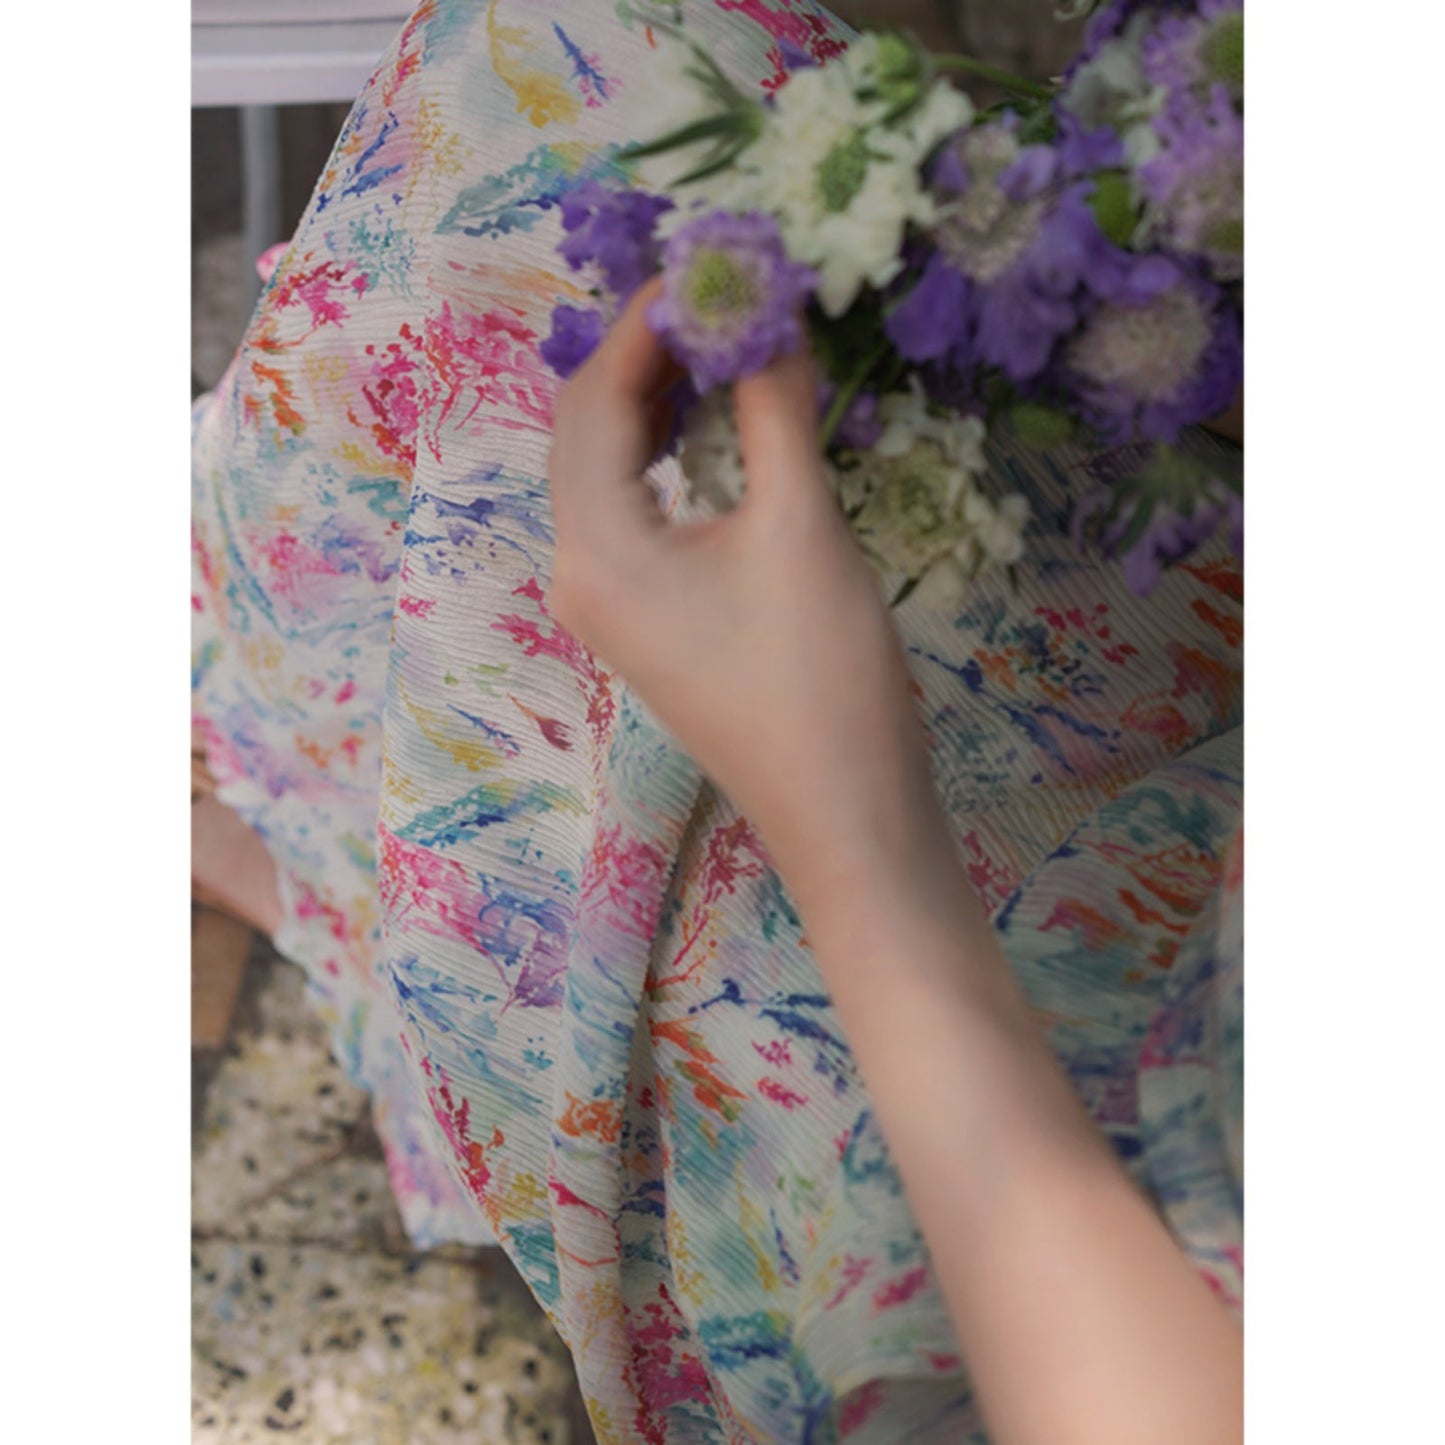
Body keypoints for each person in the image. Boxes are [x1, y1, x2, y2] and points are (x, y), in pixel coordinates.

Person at [192, 1, 1243, 1437]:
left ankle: (327, 889)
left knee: (547, 207)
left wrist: (845, 810)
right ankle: (323, 867)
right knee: (570, 77)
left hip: (1050, 1149)